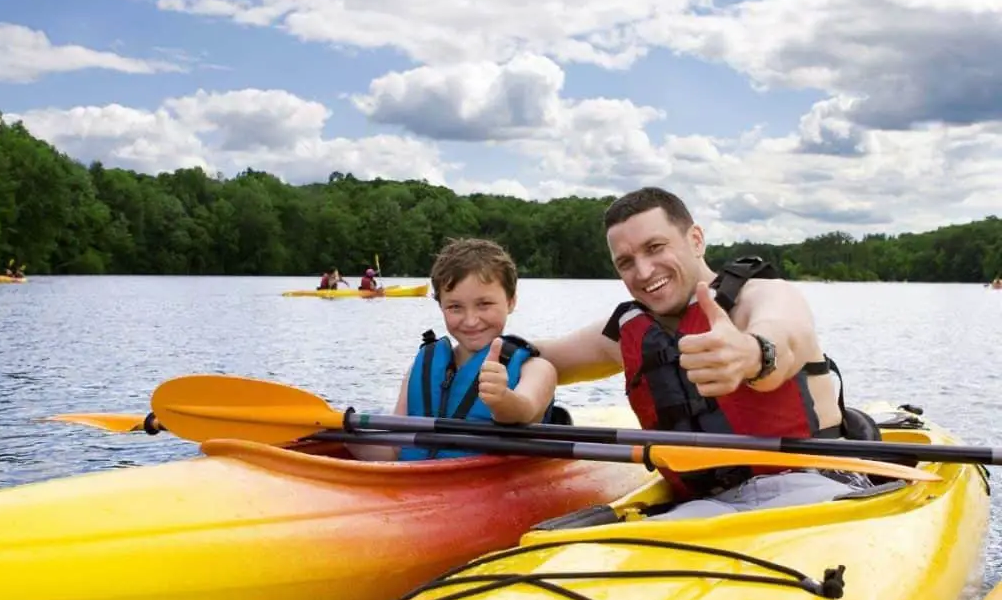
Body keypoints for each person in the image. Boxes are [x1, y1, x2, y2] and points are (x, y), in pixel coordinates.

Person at [533, 186, 878, 520]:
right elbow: (545, 356)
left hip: (813, 488)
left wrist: (751, 354)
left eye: (655, 247)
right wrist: (486, 335)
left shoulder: (762, 296)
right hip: (706, 507)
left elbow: (784, 339)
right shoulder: (627, 332)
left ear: (696, 240)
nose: (643, 271)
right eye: (626, 262)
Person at [348, 238, 561, 461]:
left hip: (493, 486)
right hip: (416, 484)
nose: (470, 321)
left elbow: (526, 410)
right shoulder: (422, 366)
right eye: (455, 307)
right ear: (441, 306)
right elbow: (393, 450)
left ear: (511, 301)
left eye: (484, 304)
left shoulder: (538, 370)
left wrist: (503, 399)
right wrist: (345, 436)